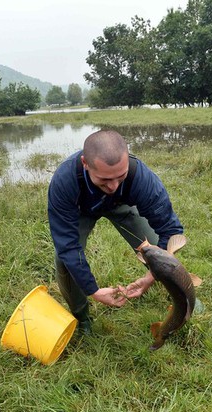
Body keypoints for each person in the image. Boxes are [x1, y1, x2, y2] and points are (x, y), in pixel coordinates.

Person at [47, 129, 185, 335]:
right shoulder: (64, 181)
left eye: (120, 177)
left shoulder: (141, 177)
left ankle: (185, 300)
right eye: (104, 179)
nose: (112, 186)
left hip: (122, 206)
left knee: (161, 251)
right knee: (63, 259)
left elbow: (171, 230)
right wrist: (93, 290)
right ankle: (81, 317)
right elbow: (67, 245)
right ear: (85, 163)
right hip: (82, 211)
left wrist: (152, 275)